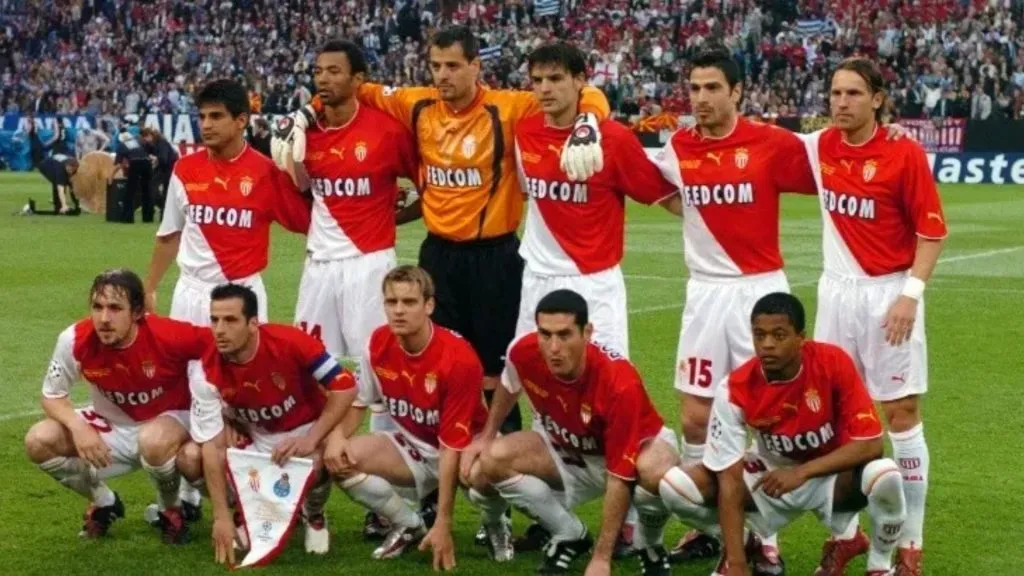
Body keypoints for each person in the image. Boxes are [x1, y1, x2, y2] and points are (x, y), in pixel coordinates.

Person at [273, 28, 611, 452]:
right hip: (438, 256)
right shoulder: (416, 104)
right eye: (436, 66)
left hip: (494, 257)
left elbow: (586, 95)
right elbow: (343, 87)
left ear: (476, 66)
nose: (442, 75)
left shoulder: (507, 108)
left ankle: (500, 475)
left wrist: (588, 123)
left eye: (453, 66)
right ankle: (427, 475)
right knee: (430, 365)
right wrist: (304, 115)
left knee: (492, 374)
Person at [648, 45, 818, 570]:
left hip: (756, 291)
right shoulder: (678, 145)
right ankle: (705, 524)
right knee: (695, 414)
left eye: (712, 88)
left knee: (767, 412)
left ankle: (766, 532)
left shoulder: (770, 142)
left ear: (737, 91)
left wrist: (890, 134)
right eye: (694, 88)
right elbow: (658, 187)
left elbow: (830, 163)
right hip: (703, 292)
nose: (700, 98)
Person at [511, 41, 680, 555]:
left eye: (556, 79)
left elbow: (664, 196)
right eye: (537, 79)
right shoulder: (525, 131)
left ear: (581, 80)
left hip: (593, 285)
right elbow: (524, 193)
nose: (544, 89)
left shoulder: (614, 140)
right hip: (536, 278)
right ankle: (559, 521)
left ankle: (627, 518)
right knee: (540, 392)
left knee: (609, 400)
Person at [799, 57, 947, 576]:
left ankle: (910, 542)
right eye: (835, 93)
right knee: (835, 417)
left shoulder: (903, 153)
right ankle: (847, 536)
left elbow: (931, 232)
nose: (841, 103)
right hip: (836, 293)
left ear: (878, 99)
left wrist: (910, 295)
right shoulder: (817, 148)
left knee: (900, 412)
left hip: (888, 294)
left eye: (854, 94)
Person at [657, 292, 907, 576]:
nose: (767, 345)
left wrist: (803, 472)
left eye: (779, 335)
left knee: (885, 474)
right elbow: (728, 478)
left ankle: (879, 566)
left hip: (830, 477)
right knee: (675, 487)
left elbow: (871, 444)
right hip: (770, 476)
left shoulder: (832, 362)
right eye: (759, 335)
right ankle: (744, 544)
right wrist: (737, 566)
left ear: (801, 338)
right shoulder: (735, 388)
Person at [460, 289, 681, 575]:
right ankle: (570, 534)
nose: (553, 347)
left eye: (564, 335)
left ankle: (649, 544)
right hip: (568, 452)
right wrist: (488, 435)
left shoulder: (618, 382)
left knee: (657, 469)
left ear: (587, 333)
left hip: (631, 455)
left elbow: (620, 476)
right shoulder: (524, 351)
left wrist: (602, 557)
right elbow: (509, 383)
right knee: (491, 461)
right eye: (545, 334)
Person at [289, 39, 419, 466]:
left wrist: (395, 218)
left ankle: (386, 467)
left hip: (369, 265)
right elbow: (302, 192)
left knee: (381, 372)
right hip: (319, 267)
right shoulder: (305, 133)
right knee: (308, 370)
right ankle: (307, 474)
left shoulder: (386, 131)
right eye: (318, 71)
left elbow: (429, 184)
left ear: (358, 79)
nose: (323, 79)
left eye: (334, 71)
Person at [22, 269, 209, 544]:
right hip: (112, 426)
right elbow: (52, 395)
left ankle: (172, 510)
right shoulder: (74, 339)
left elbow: (226, 345)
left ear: (137, 313)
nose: (104, 319)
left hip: (170, 424)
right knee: (38, 440)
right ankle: (105, 502)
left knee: (153, 441)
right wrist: (78, 427)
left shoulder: (168, 334)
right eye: (97, 307)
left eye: (115, 308)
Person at [322, 265, 490, 569]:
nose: (399, 311)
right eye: (392, 302)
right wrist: (335, 437)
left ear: (429, 305)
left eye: (409, 302)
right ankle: (410, 525)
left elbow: (451, 447)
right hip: (413, 446)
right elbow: (359, 403)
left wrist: (444, 523)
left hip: (465, 449)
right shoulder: (378, 342)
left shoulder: (458, 358)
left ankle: (495, 523)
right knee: (339, 459)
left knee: (482, 474)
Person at [188, 284, 357, 565]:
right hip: (256, 437)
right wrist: (220, 517)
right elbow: (210, 446)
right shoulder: (205, 371)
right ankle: (243, 509)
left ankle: (313, 513)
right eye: (214, 319)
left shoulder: (291, 342)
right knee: (189, 458)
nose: (219, 329)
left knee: (324, 461)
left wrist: (312, 439)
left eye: (230, 320)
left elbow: (345, 387)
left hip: (305, 431)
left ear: (253, 323)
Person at [144, 78, 312, 325]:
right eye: (202, 117)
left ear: (241, 121)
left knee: (245, 364)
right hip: (190, 294)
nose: (206, 125)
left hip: (242, 294)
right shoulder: (184, 169)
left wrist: (302, 173)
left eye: (216, 116)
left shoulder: (266, 172)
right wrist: (149, 287)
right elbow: (170, 234)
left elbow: (305, 221)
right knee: (187, 365)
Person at [140, 127, 179, 215]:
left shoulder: (162, 142)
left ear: (150, 135)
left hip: (170, 167)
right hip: (162, 167)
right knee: (153, 186)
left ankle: (164, 211)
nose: (145, 140)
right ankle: (163, 208)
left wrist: (155, 158)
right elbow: (146, 152)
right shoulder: (151, 144)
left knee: (165, 189)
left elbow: (164, 158)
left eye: (145, 137)